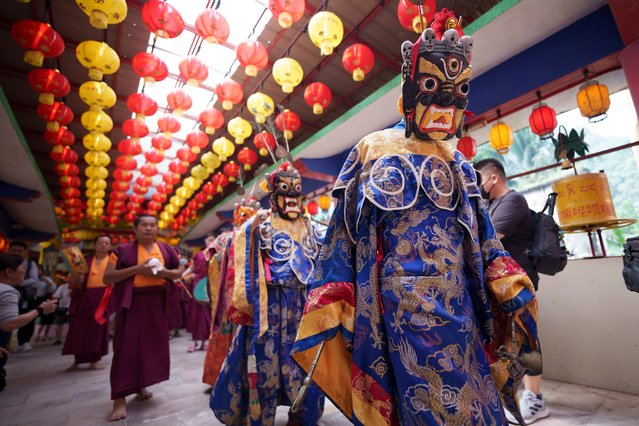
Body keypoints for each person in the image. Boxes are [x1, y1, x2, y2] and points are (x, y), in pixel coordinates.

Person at [291, 15, 540, 426]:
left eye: (458, 92)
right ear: (408, 92)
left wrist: (506, 277)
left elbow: (483, 236)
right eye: (431, 88)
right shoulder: (373, 148)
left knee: (474, 399)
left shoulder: (457, 161)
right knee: (419, 406)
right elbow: (343, 235)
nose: (446, 104)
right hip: (397, 308)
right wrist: (332, 297)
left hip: (457, 300)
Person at [211, 163, 324, 425]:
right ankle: (262, 417)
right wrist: (250, 229)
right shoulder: (261, 226)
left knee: (303, 362)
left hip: (303, 307)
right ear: (274, 197)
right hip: (270, 308)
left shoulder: (311, 227)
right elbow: (239, 246)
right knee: (266, 366)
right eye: (286, 191)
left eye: (297, 191)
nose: (293, 197)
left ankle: (301, 413)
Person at [475, 158, 548, 424]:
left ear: (493, 178)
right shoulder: (491, 204)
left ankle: (535, 398)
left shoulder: (513, 201)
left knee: (528, 338)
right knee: (509, 340)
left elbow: (490, 237)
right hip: (501, 285)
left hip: (520, 283)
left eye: (480, 180)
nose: (478, 186)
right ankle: (516, 393)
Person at [103, 215, 183, 422]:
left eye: (152, 225)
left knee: (149, 348)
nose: (149, 228)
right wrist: (137, 270)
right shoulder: (121, 251)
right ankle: (119, 400)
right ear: (135, 229)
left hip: (157, 304)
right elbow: (108, 277)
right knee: (125, 349)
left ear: (157, 228)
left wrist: (165, 272)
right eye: (144, 225)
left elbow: (178, 273)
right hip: (131, 304)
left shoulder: (166, 249)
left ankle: (140, 386)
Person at [202, 198, 259, 388]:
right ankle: (219, 378)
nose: (248, 217)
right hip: (229, 292)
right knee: (227, 331)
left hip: (255, 292)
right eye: (244, 214)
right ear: (236, 215)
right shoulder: (226, 237)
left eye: (252, 214)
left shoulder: (263, 234)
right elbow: (209, 258)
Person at [0, 253, 57, 392]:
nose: (25, 272)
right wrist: (40, 310)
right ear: (9, 271)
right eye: (23, 268)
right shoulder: (7, 291)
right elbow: (10, 323)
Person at [62, 234, 113, 370]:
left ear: (110, 246)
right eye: (100, 242)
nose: (103, 245)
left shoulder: (114, 262)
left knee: (97, 331)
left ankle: (94, 360)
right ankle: (77, 360)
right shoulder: (83, 261)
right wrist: (74, 281)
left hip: (103, 299)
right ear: (95, 245)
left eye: (106, 243)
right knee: (78, 330)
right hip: (83, 299)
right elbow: (70, 281)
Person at [8, 242, 39, 352]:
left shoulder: (30, 264)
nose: (16, 253)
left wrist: (18, 283)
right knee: (6, 317)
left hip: (25, 295)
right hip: (7, 294)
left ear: (25, 252)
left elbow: (34, 279)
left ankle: (24, 342)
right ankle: (6, 343)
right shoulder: (4, 262)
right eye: (14, 250)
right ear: (9, 250)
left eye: (19, 251)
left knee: (27, 318)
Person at [182, 246, 212, 353]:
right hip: (197, 285)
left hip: (209, 285)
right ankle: (194, 342)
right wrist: (183, 275)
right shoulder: (198, 254)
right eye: (208, 240)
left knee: (206, 315)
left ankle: (205, 342)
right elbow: (192, 268)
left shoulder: (215, 253)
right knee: (195, 313)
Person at [51, 279, 71, 345]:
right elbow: (55, 297)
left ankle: (72, 339)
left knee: (73, 324)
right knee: (58, 324)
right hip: (63, 308)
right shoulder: (63, 286)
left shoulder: (78, 286)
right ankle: (58, 339)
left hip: (73, 309)